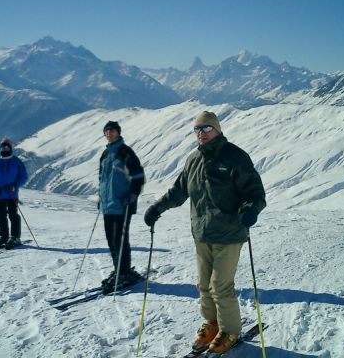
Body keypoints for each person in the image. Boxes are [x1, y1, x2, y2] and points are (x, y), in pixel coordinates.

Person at [144, 111, 266, 354]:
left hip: (230, 233)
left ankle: (229, 330)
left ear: (217, 130)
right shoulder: (193, 160)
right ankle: (212, 324)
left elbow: (255, 193)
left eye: (206, 129)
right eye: (197, 130)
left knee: (220, 286)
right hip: (202, 233)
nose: (201, 133)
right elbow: (179, 191)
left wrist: (250, 210)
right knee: (203, 285)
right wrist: (158, 207)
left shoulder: (235, 157)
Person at [99, 120, 145, 292]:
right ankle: (118, 269)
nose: (109, 133)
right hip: (108, 205)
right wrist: (101, 198)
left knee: (120, 239)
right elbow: (101, 179)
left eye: (112, 131)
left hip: (122, 205)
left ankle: (124, 272)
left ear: (118, 133)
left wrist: (132, 195)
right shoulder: (105, 154)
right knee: (111, 240)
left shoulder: (126, 153)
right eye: (106, 131)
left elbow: (138, 177)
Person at [0, 137, 29, 250]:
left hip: (11, 194)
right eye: (2, 147)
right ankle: (4, 237)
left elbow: (24, 176)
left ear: (11, 148)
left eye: (6, 147)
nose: (4, 149)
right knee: (1, 216)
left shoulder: (16, 161)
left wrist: (15, 185)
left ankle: (15, 237)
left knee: (13, 215)